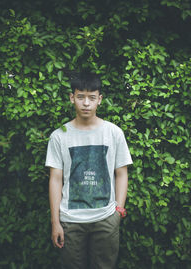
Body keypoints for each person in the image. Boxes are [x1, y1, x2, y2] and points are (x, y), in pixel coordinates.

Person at [45, 72, 133, 269]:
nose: (86, 103)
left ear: (99, 100)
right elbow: (55, 179)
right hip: (70, 220)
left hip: (106, 218)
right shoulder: (59, 136)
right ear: (72, 98)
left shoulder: (114, 133)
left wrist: (118, 210)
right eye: (80, 97)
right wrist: (55, 222)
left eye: (92, 97)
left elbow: (121, 173)